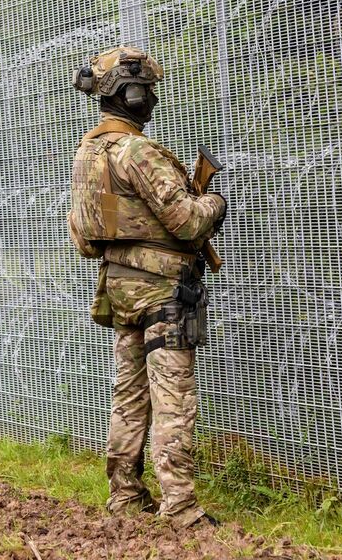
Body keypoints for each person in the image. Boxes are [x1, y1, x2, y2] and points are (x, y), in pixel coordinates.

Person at [68, 45, 226, 527]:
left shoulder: (90, 151)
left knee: (130, 397)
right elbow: (184, 222)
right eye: (148, 89)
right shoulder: (138, 152)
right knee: (173, 399)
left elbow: (87, 235)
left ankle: (126, 498)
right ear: (134, 94)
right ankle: (181, 508)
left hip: (120, 290)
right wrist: (214, 204)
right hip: (163, 293)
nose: (153, 97)